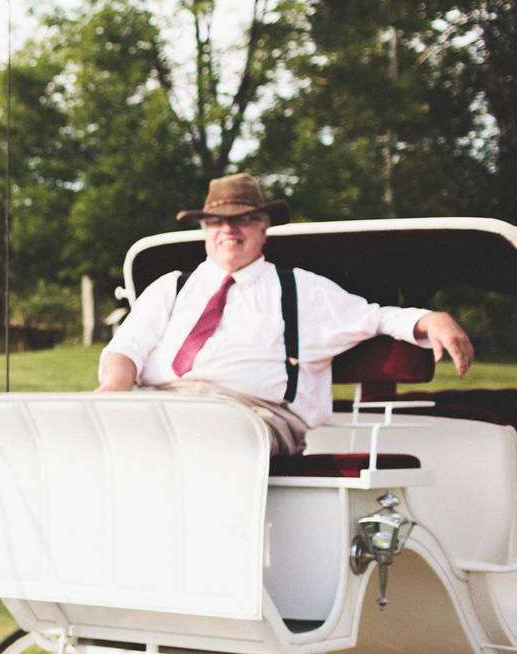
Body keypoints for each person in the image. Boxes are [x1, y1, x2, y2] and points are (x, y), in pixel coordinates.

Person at [98, 173, 475, 454]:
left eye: (243, 219)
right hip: (162, 406)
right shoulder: (172, 288)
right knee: (81, 433)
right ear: (205, 230)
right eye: (217, 221)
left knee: (210, 441)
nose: (229, 229)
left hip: (253, 417)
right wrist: (114, 390)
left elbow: (378, 317)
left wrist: (430, 319)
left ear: (263, 229)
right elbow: (125, 349)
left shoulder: (300, 290)